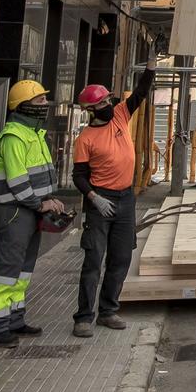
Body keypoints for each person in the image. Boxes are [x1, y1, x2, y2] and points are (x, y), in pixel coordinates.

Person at [0, 80, 71, 347]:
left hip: (29, 210)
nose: (46, 105)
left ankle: (15, 318)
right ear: (23, 106)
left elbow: (38, 178)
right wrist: (40, 204)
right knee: (7, 269)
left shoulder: (34, 134)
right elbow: (18, 182)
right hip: (15, 212)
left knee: (23, 269)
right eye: (39, 101)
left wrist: (50, 199)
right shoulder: (13, 137)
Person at [70, 71, 147, 336]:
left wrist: (150, 65)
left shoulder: (120, 116)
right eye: (101, 104)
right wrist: (94, 198)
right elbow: (78, 176)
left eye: (107, 102)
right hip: (100, 201)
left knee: (122, 257)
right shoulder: (85, 139)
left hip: (125, 199)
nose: (107, 107)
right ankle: (83, 317)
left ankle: (108, 311)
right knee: (93, 259)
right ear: (90, 110)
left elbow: (140, 92)